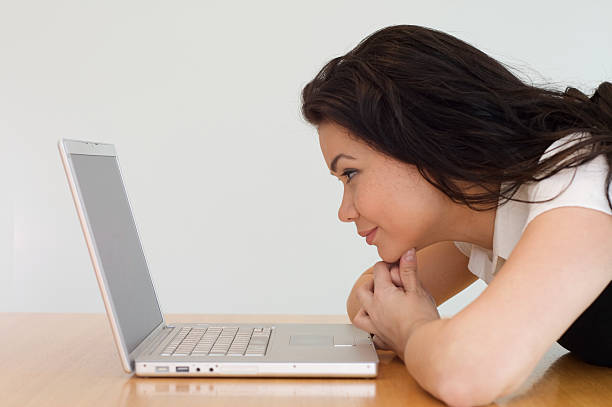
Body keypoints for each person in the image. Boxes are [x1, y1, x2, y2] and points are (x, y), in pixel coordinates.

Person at [301, 25, 611, 406]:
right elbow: (369, 301)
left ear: (422, 137)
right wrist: (408, 325)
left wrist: (413, 329)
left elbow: (468, 375)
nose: (344, 212)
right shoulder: (481, 218)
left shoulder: (577, 175)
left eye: (350, 173)